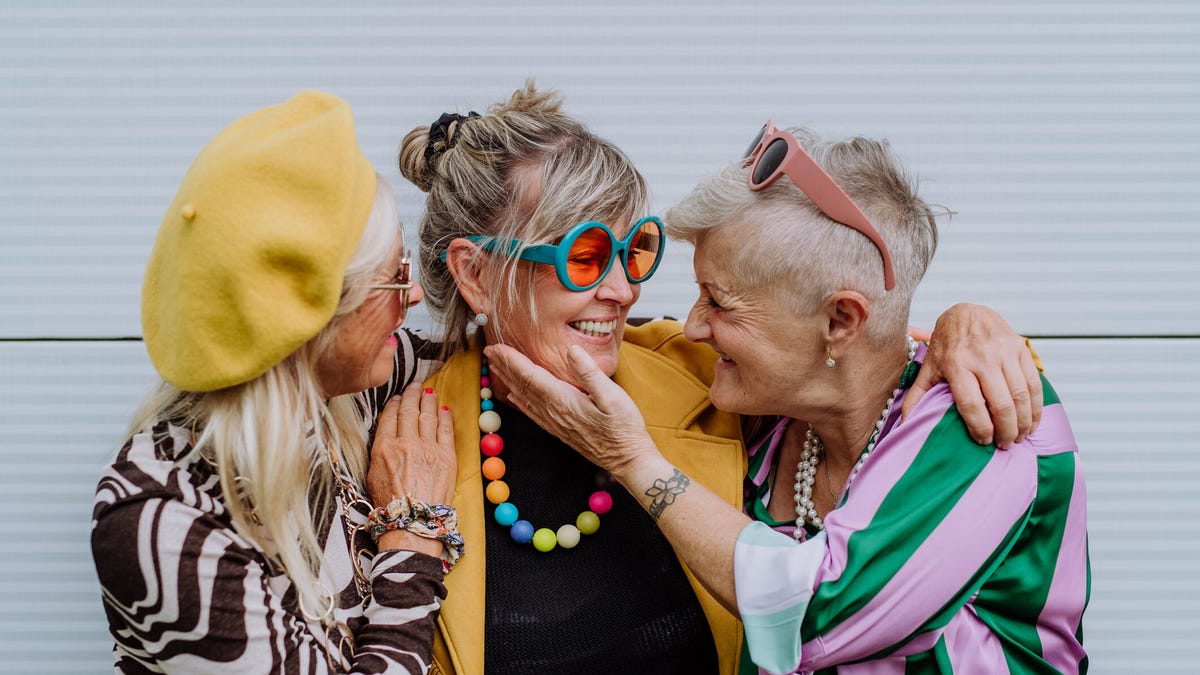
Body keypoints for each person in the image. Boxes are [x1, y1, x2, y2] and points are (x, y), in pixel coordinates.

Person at [396, 83, 1048, 675]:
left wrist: (972, 326)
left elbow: (857, 353)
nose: (623, 290)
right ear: (476, 275)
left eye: (635, 250)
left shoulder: (702, 377)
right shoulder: (409, 442)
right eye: (585, 257)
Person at [91, 92, 460, 673]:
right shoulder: (166, 522)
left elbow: (486, 348)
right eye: (394, 278)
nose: (413, 297)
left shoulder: (345, 388)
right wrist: (414, 541)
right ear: (313, 323)